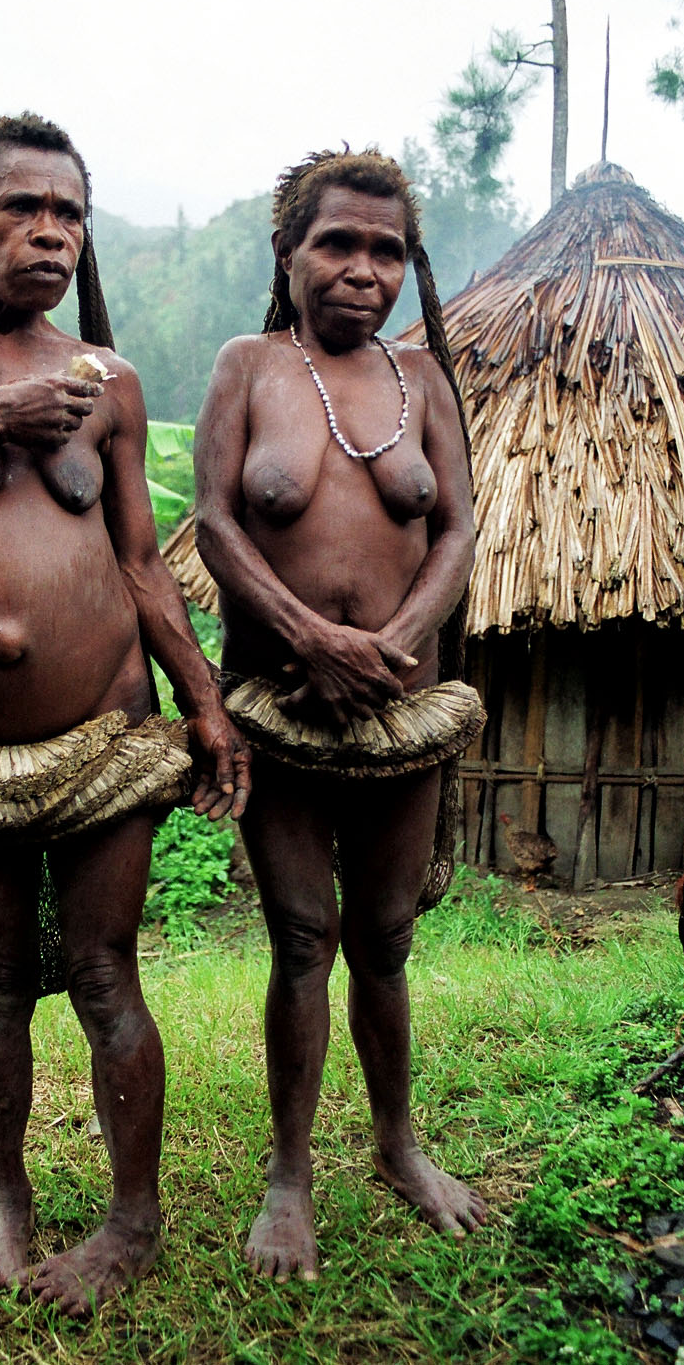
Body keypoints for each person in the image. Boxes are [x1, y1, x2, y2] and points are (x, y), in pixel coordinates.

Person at [0, 112, 249, 1315]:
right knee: (1, 978)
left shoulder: (104, 381)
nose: (52, 233)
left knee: (109, 973)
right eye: (24, 209)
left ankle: (132, 1220)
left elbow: (141, 562)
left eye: (70, 214)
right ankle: (7, 1203)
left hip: (107, 735)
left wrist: (205, 705)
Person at [193, 147, 485, 1283]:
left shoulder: (424, 381)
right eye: (338, 243)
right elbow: (216, 520)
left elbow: (456, 528)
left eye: (387, 249)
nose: (364, 268)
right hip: (279, 704)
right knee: (305, 937)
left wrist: (398, 643)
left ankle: (400, 1147)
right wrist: (309, 637)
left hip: (401, 712)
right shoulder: (250, 366)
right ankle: (288, 1177)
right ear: (289, 250)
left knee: (388, 937)